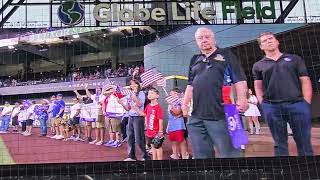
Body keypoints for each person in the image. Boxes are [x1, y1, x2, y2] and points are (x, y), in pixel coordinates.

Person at [181, 27, 248, 159]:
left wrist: (242, 99)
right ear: (196, 41)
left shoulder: (226, 54)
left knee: (231, 156)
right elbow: (190, 84)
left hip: (223, 114)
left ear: (213, 38)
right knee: (201, 157)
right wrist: (184, 103)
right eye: (200, 38)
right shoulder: (194, 59)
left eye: (207, 37)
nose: (204, 40)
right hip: (196, 118)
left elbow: (239, 79)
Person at [252, 32, 313, 156]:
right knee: (280, 143)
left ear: (277, 41)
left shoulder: (294, 59)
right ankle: (283, 173)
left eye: (270, 39)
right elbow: (258, 85)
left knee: (304, 143)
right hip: (272, 107)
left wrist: (306, 103)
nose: (268, 41)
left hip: (297, 105)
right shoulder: (258, 65)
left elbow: (305, 80)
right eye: (264, 41)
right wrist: (262, 103)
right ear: (261, 47)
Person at [118, 79, 149, 161]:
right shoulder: (129, 94)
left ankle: (145, 156)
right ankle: (131, 156)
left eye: (135, 84)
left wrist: (134, 96)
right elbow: (128, 108)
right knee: (130, 137)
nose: (133, 85)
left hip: (138, 117)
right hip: (130, 116)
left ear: (138, 85)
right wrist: (121, 103)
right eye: (131, 84)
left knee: (139, 138)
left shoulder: (141, 93)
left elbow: (139, 104)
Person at [166, 88, 189, 160]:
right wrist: (168, 126)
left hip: (179, 125)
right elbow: (170, 116)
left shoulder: (179, 103)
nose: (170, 95)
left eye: (172, 93)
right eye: (170, 94)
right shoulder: (171, 104)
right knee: (173, 141)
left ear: (177, 94)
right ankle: (175, 155)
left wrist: (171, 105)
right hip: (172, 125)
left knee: (181, 141)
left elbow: (177, 112)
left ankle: (184, 155)